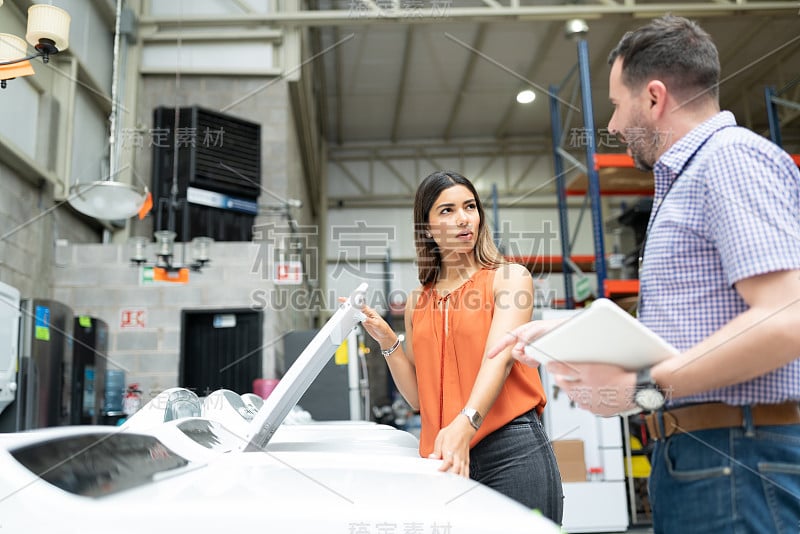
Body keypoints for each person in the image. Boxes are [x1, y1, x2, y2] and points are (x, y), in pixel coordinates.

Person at [488, 14, 800, 534]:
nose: (610, 125)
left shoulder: (728, 160)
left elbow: (787, 318)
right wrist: (578, 337)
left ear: (654, 98)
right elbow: (697, 332)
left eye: (615, 103)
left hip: (738, 459)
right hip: (705, 456)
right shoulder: (688, 180)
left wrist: (642, 382)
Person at [357, 170, 563, 521]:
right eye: (447, 210)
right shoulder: (417, 302)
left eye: (469, 206)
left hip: (511, 450)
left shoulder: (510, 278)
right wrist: (388, 341)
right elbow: (421, 399)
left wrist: (465, 423)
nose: (463, 218)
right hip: (446, 459)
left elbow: (498, 361)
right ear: (427, 227)